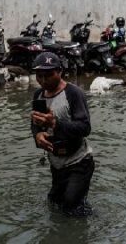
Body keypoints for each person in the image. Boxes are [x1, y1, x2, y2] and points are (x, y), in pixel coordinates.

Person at [30, 52, 94, 216]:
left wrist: (55, 123)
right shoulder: (38, 95)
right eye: (39, 76)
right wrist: (38, 136)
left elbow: (85, 128)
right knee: (54, 202)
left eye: (49, 75)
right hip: (56, 161)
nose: (44, 80)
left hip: (78, 161)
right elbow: (36, 124)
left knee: (72, 205)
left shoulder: (73, 93)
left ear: (60, 72)